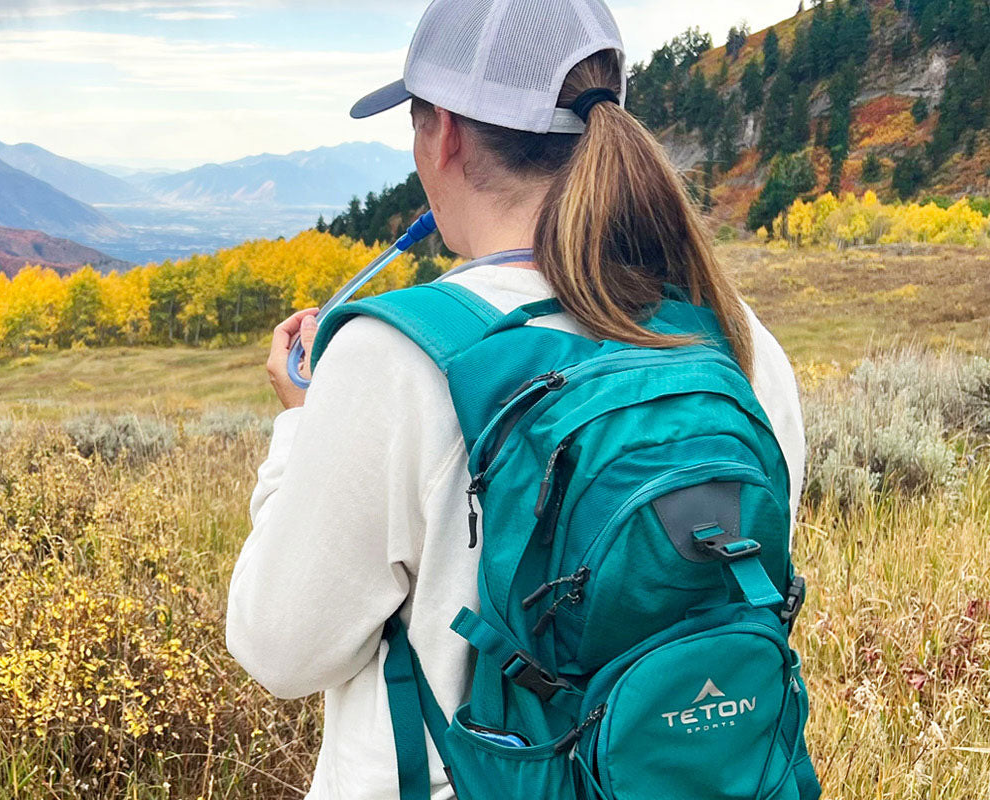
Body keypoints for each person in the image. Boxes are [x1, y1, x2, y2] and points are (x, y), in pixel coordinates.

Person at [224, 1, 807, 798]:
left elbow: (279, 648)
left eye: (415, 123)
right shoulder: (733, 338)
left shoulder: (394, 358)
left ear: (448, 134)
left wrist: (299, 428)